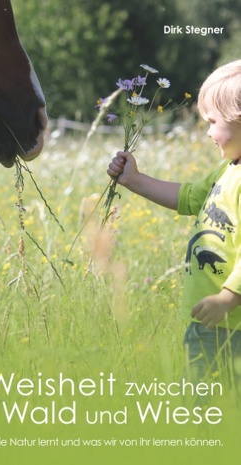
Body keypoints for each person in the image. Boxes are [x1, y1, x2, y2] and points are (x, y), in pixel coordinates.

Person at [107, 60, 241, 388]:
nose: (208, 132)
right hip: (211, 322)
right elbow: (186, 197)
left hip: (230, 324)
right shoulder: (228, 171)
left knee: (202, 409)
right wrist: (133, 180)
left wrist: (229, 298)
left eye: (213, 122)